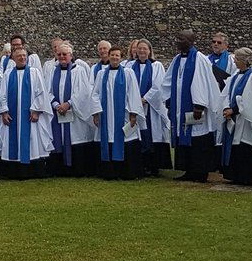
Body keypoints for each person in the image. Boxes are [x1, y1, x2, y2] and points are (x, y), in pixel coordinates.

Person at [162, 29, 222, 183]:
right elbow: (168, 81)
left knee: (197, 139)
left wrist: (199, 105)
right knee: (184, 138)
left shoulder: (199, 59)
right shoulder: (176, 60)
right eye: (177, 38)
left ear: (190, 41)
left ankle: (200, 172)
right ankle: (188, 169)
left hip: (194, 108)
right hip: (180, 107)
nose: (177, 41)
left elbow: (201, 82)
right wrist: (168, 99)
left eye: (181, 38)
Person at [0, 46, 53, 179]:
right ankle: (12, 172)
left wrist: (36, 110)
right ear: (13, 58)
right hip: (12, 117)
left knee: (33, 141)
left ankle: (32, 171)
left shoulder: (34, 72)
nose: (22, 58)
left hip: (30, 116)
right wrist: (4, 111)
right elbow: (2, 95)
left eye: (24, 56)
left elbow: (41, 93)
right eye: (19, 56)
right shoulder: (8, 74)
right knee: (11, 141)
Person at [92, 45, 143, 180]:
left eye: (117, 55)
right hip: (106, 115)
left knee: (125, 139)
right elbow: (95, 94)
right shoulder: (102, 74)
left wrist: (133, 113)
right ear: (108, 56)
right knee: (108, 139)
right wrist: (96, 112)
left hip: (123, 114)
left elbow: (133, 93)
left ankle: (126, 172)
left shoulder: (128, 73)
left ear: (121, 58)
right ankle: (109, 173)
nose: (114, 57)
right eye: (112, 55)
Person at [48, 42, 97, 176]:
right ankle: (60, 169)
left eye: (65, 54)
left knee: (75, 138)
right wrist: (56, 105)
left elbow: (83, 92)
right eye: (59, 54)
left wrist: (68, 104)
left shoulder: (79, 70)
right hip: (58, 111)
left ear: (71, 55)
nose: (62, 57)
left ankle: (76, 169)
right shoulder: (52, 70)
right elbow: (47, 91)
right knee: (60, 139)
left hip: (74, 115)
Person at [220, 47, 252, 186]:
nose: (235, 62)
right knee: (235, 147)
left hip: (245, 119)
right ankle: (235, 174)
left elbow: (251, 100)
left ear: (245, 61)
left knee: (245, 146)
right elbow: (225, 94)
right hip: (234, 117)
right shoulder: (234, 76)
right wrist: (226, 107)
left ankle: (249, 176)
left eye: (237, 59)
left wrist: (234, 110)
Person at [129, 38, 170, 176]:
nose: (141, 51)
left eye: (144, 49)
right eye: (139, 48)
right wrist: (134, 100)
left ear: (149, 51)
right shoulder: (129, 66)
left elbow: (158, 85)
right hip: (135, 107)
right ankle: (140, 165)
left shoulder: (156, 66)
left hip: (150, 107)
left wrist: (145, 98)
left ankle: (153, 166)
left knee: (152, 134)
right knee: (138, 135)